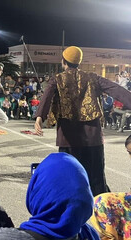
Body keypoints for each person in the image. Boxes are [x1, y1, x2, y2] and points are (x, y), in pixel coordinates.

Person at [35, 46, 131, 196]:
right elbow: (116, 89)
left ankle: (73, 210)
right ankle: (100, 211)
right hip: (92, 136)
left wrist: (40, 116)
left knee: (70, 177)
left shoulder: (58, 79)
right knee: (96, 178)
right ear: (79, 62)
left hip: (68, 137)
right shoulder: (93, 78)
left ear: (64, 62)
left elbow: (47, 95)